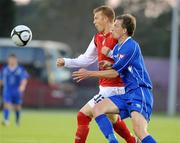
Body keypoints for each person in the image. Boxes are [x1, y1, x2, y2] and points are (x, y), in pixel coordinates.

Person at [72, 14, 157, 143]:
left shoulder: (131, 46)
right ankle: (113, 141)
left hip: (140, 92)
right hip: (127, 94)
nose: (112, 29)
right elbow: (121, 66)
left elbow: (115, 73)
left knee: (140, 132)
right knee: (97, 109)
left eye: (116, 26)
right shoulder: (117, 48)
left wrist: (89, 73)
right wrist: (110, 63)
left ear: (124, 30)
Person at [56, 6, 136, 143]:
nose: (94, 21)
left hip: (115, 87)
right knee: (114, 119)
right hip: (106, 87)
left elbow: (127, 59)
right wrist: (66, 61)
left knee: (82, 115)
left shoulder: (118, 36)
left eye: (96, 18)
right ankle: (132, 141)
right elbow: (86, 58)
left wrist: (110, 57)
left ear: (105, 19)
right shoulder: (98, 37)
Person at [0, 54, 28, 126]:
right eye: (10, 59)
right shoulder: (5, 69)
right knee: (7, 104)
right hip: (7, 90)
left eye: (13, 59)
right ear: (8, 60)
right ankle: (6, 120)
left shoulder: (20, 69)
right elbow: (1, 80)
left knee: (17, 106)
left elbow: (24, 79)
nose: (12, 61)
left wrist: (22, 86)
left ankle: (17, 121)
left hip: (17, 90)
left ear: (16, 60)